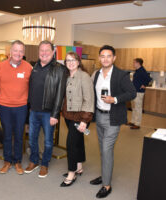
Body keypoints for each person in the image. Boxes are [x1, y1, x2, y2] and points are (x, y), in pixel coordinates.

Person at [90, 45, 136, 198]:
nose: (105, 59)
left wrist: (114, 99)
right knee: (102, 149)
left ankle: (107, 185)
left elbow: (132, 93)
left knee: (106, 150)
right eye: (102, 56)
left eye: (108, 56)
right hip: (99, 116)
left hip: (113, 117)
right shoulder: (96, 74)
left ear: (114, 58)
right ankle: (105, 176)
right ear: (99, 58)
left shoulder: (121, 75)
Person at [24, 40, 66, 178]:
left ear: (53, 52)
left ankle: (45, 164)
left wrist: (55, 114)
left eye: (47, 50)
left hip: (49, 113)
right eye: (41, 50)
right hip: (34, 111)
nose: (44, 53)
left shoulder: (59, 69)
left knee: (48, 141)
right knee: (32, 139)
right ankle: (34, 161)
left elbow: (60, 94)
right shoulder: (34, 66)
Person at [0, 40, 32, 175]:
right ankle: (7, 161)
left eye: (21, 51)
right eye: (15, 50)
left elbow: (32, 88)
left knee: (18, 135)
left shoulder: (28, 67)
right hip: (4, 106)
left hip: (21, 107)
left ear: (23, 53)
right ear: (10, 52)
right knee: (6, 135)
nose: (18, 53)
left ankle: (17, 162)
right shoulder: (0, 67)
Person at [60, 52, 94, 187]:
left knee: (71, 144)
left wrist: (84, 121)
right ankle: (79, 166)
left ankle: (71, 172)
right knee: (78, 141)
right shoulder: (67, 76)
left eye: (73, 60)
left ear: (78, 62)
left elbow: (89, 100)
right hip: (69, 116)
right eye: (68, 60)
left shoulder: (84, 77)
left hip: (80, 116)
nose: (70, 62)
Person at [127, 58, 152, 129]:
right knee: (134, 107)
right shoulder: (137, 71)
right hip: (134, 91)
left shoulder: (142, 70)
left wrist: (145, 84)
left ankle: (137, 124)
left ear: (138, 63)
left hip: (139, 92)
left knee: (138, 108)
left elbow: (149, 79)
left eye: (134, 62)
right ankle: (133, 121)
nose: (133, 64)